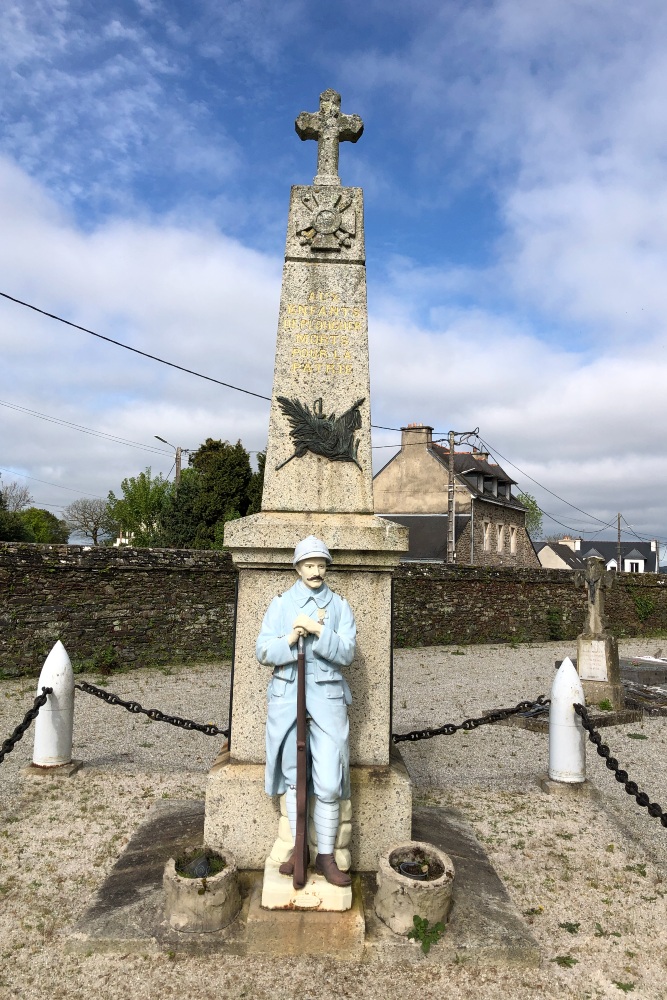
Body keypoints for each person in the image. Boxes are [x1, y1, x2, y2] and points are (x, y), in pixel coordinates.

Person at [256, 535, 356, 887]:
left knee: (328, 782)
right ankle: (298, 849)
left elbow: (347, 653)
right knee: (293, 779)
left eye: (321, 564)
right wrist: (289, 639)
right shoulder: (282, 604)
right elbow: (262, 651)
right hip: (288, 701)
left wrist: (318, 629)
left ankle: (326, 856)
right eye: (309, 564)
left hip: (326, 703)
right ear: (297, 568)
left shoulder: (340, 607)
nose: (315, 571)